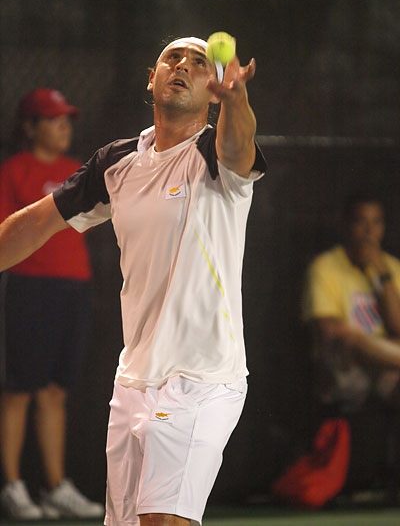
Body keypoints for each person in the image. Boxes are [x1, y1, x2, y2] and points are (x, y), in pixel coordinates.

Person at [0, 37, 266, 526]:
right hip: (133, 382)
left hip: (202, 380)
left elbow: (238, 144)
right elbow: (36, 224)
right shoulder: (117, 163)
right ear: (151, 78)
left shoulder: (215, 156)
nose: (182, 65)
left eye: (199, 62)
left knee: (162, 520)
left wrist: (237, 99)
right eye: (172, 58)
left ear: (212, 91)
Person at [0, 89, 104, 520]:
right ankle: (13, 487)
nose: (64, 127)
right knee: (19, 389)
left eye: (67, 120)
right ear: (30, 127)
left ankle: (56, 487)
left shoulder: (75, 172)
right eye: (53, 119)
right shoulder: (13, 171)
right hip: (28, 290)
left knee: (55, 391)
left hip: (73, 290)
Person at [303, 192, 400, 414]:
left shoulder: (391, 267)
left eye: (376, 223)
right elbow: (332, 332)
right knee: (348, 339)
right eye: (361, 222)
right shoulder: (325, 266)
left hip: (386, 367)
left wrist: (382, 273)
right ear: (347, 225)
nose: (369, 232)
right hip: (345, 366)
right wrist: (379, 348)